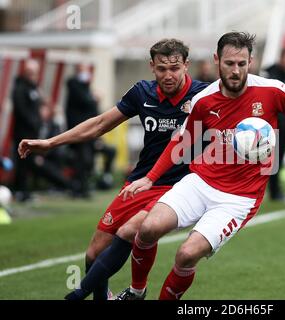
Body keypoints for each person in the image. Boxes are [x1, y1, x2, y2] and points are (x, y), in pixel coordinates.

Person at [115, 31, 285, 300]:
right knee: (148, 228)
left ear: (251, 61)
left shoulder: (272, 90)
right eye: (229, 64)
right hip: (200, 182)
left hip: (238, 199)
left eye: (242, 64)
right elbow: (182, 141)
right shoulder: (204, 100)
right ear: (216, 60)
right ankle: (136, 292)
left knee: (187, 253)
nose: (236, 71)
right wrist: (150, 178)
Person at [18, 39, 209, 300]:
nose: (168, 75)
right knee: (94, 254)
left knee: (132, 230)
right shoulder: (142, 93)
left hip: (179, 186)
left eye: (175, 68)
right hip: (141, 180)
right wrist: (51, 142)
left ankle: (129, 292)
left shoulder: (205, 94)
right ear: (152, 66)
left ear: (186, 65)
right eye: (162, 68)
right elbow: (99, 124)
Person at [12, 59, 74, 201]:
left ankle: (25, 191)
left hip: (33, 133)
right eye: (31, 71)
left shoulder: (34, 88)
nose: (34, 74)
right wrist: (35, 122)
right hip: (23, 133)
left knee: (30, 163)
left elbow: (39, 106)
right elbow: (22, 111)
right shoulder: (21, 88)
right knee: (23, 163)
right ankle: (21, 192)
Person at [65, 63, 116, 196]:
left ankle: (97, 181)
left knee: (99, 155)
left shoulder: (85, 88)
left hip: (91, 132)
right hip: (80, 131)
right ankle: (80, 188)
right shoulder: (74, 84)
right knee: (83, 159)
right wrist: (94, 98)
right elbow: (86, 101)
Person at [261, 48, 285, 201]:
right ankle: (271, 191)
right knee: (269, 159)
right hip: (273, 123)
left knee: (278, 159)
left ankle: (275, 190)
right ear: (282, 58)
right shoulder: (271, 73)